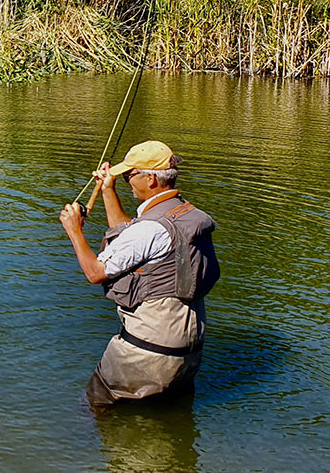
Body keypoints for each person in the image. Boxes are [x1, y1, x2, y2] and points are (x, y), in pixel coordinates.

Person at [59, 140, 220, 405]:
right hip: (187, 356)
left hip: (145, 356)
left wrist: (74, 230)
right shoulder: (186, 213)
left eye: (129, 175)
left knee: (91, 411)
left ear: (152, 180)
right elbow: (133, 242)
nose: (126, 180)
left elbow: (95, 272)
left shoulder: (151, 228)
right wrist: (108, 191)